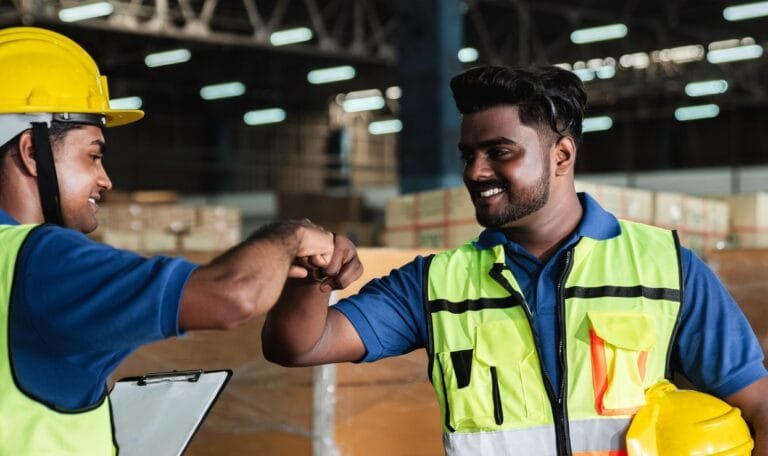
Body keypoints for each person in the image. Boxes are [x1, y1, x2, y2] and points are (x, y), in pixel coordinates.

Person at [262, 64, 768, 455]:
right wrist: (314, 278)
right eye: (468, 154)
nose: (476, 172)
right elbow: (298, 346)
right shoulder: (436, 283)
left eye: (499, 151)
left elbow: (759, 407)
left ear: (561, 157)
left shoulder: (667, 268)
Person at [0, 26, 361, 454]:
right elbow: (233, 295)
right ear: (31, 151)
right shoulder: (42, 262)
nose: (105, 179)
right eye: (93, 155)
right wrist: (289, 236)